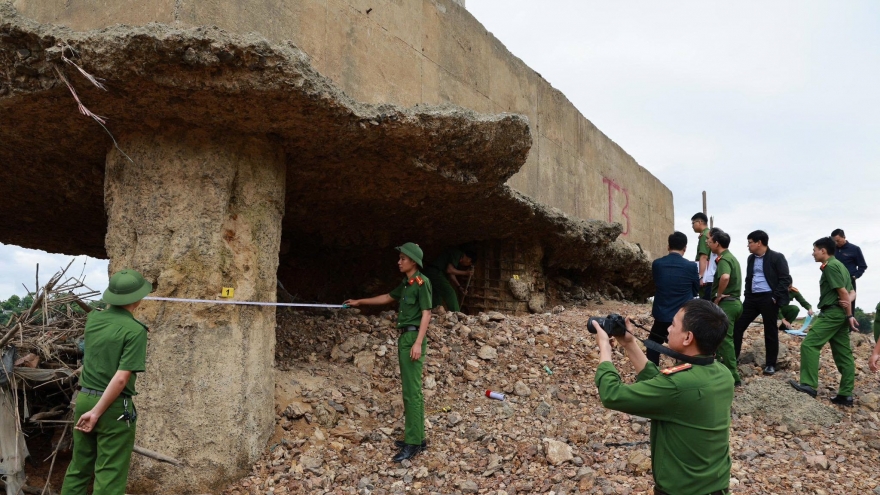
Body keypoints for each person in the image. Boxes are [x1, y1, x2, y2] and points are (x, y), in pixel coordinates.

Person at [593, 299, 733, 495]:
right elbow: (665, 387)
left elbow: (612, 395)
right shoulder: (722, 373)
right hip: (717, 488)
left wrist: (605, 351)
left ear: (688, 337)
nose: (668, 328)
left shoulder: (678, 386)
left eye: (674, 324)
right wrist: (630, 343)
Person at [62, 269, 152, 495]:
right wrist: (97, 412)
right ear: (138, 298)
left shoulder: (94, 317)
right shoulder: (135, 330)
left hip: (83, 399)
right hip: (112, 407)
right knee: (109, 473)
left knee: (79, 466)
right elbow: (121, 379)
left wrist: (90, 410)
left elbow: (103, 305)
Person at [344, 243, 432, 462]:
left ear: (413, 261)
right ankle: (418, 437)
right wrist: (359, 302)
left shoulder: (422, 282)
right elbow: (386, 298)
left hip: (412, 338)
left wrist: (418, 343)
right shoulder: (406, 283)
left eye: (403, 258)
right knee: (412, 391)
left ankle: (412, 444)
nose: (399, 261)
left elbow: (426, 313)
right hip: (406, 337)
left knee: (411, 393)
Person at [789, 237, 858, 406]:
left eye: (814, 250)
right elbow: (852, 292)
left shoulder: (831, 267)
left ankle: (809, 385)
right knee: (843, 354)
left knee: (809, 345)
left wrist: (849, 315)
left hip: (833, 314)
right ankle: (845, 394)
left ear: (823, 251)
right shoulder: (841, 266)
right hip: (839, 313)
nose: (813, 253)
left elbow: (843, 293)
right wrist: (847, 311)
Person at [732, 230, 791, 376]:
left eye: (750, 242)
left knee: (770, 330)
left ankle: (770, 364)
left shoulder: (777, 257)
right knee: (738, 326)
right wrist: (746, 294)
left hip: (769, 298)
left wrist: (775, 297)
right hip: (752, 298)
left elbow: (785, 279)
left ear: (759, 243)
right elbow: (748, 278)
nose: (748, 246)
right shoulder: (750, 259)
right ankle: (733, 358)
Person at [648, 231, 700, 366]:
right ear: (685, 247)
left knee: (653, 344)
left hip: (662, 315)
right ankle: (683, 374)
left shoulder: (657, 264)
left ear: (668, 246)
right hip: (682, 316)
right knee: (686, 347)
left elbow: (657, 283)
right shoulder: (691, 266)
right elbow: (695, 290)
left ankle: (652, 374)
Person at [707, 228, 742, 385]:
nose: (708, 242)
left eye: (710, 240)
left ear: (717, 243)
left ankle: (733, 378)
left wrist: (719, 296)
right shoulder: (731, 258)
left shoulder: (724, 259)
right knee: (722, 338)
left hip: (728, 303)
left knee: (725, 339)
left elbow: (725, 277)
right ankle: (723, 371)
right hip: (734, 303)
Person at [422, 245, 476, 313]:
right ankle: (456, 314)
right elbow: (449, 270)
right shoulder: (457, 254)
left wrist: (459, 287)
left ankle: (435, 314)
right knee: (450, 292)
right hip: (435, 272)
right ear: (469, 260)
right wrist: (466, 273)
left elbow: (451, 274)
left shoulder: (458, 256)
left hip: (430, 272)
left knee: (437, 296)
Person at [831, 229, 868, 310]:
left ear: (844, 237)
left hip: (849, 282)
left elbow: (862, 266)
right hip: (834, 281)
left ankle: (850, 321)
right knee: (834, 305)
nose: (836, 243)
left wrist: (855, 276)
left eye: (838, 241)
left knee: (848, 305)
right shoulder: (832, 250)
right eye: (834, 242)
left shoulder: (854, 249)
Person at [690, 213, 712, 300]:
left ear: (699, 222)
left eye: (693, 223)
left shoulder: (704, 236)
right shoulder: (709, 233)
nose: (692, 226)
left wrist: (701, 276)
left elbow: (703, 257)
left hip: (706, 275)